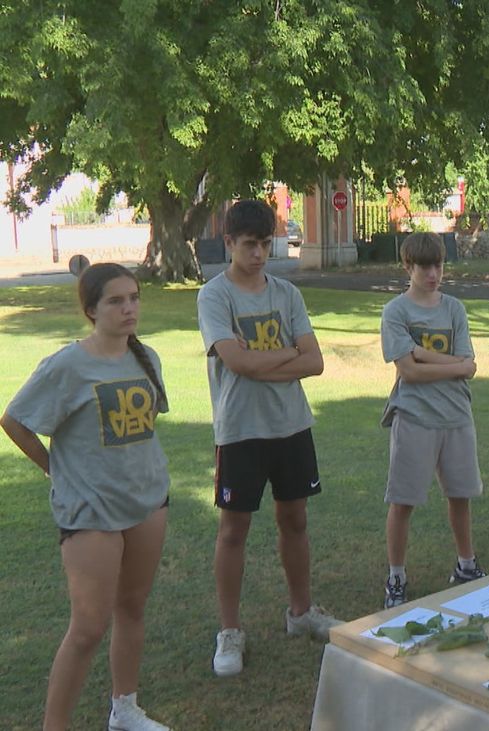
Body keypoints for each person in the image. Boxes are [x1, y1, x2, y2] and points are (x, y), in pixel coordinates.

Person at [1, 263, 172, 730]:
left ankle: (125, 710)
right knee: (89, 626)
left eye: (134, 297)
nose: (129, 307)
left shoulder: (147, 358)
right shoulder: (66, 366)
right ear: (91, 309)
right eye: (116, 301)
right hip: (91, 512)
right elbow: (14, 420)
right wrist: (56, 469)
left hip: (147, 502)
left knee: (132, 608)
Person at [197, 199, 338, 678]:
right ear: (230, 243)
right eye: (249, 244)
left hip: (291, 425)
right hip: (240, 430)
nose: (258, 254)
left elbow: (316, 363)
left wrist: (265, 362)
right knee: (233, 530)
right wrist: (285, 357)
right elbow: (238, 363)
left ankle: (301, 613)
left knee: (294, 520)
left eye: (265, 244)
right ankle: (230, 631)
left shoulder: (286, 293)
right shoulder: (215, 296)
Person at [380, 233, 484, 608]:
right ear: (408, 267)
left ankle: (466, 565)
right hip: (414, 416)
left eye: (438, 265)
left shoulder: (454, 308)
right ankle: (396, 576)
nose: (432, 273)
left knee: (461, 496)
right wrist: (452, 365)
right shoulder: (396, 312)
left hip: (456, 415)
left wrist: (423, 353)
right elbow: (408, 372)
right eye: (424, 266)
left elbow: (470, 367)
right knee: (403, 501)